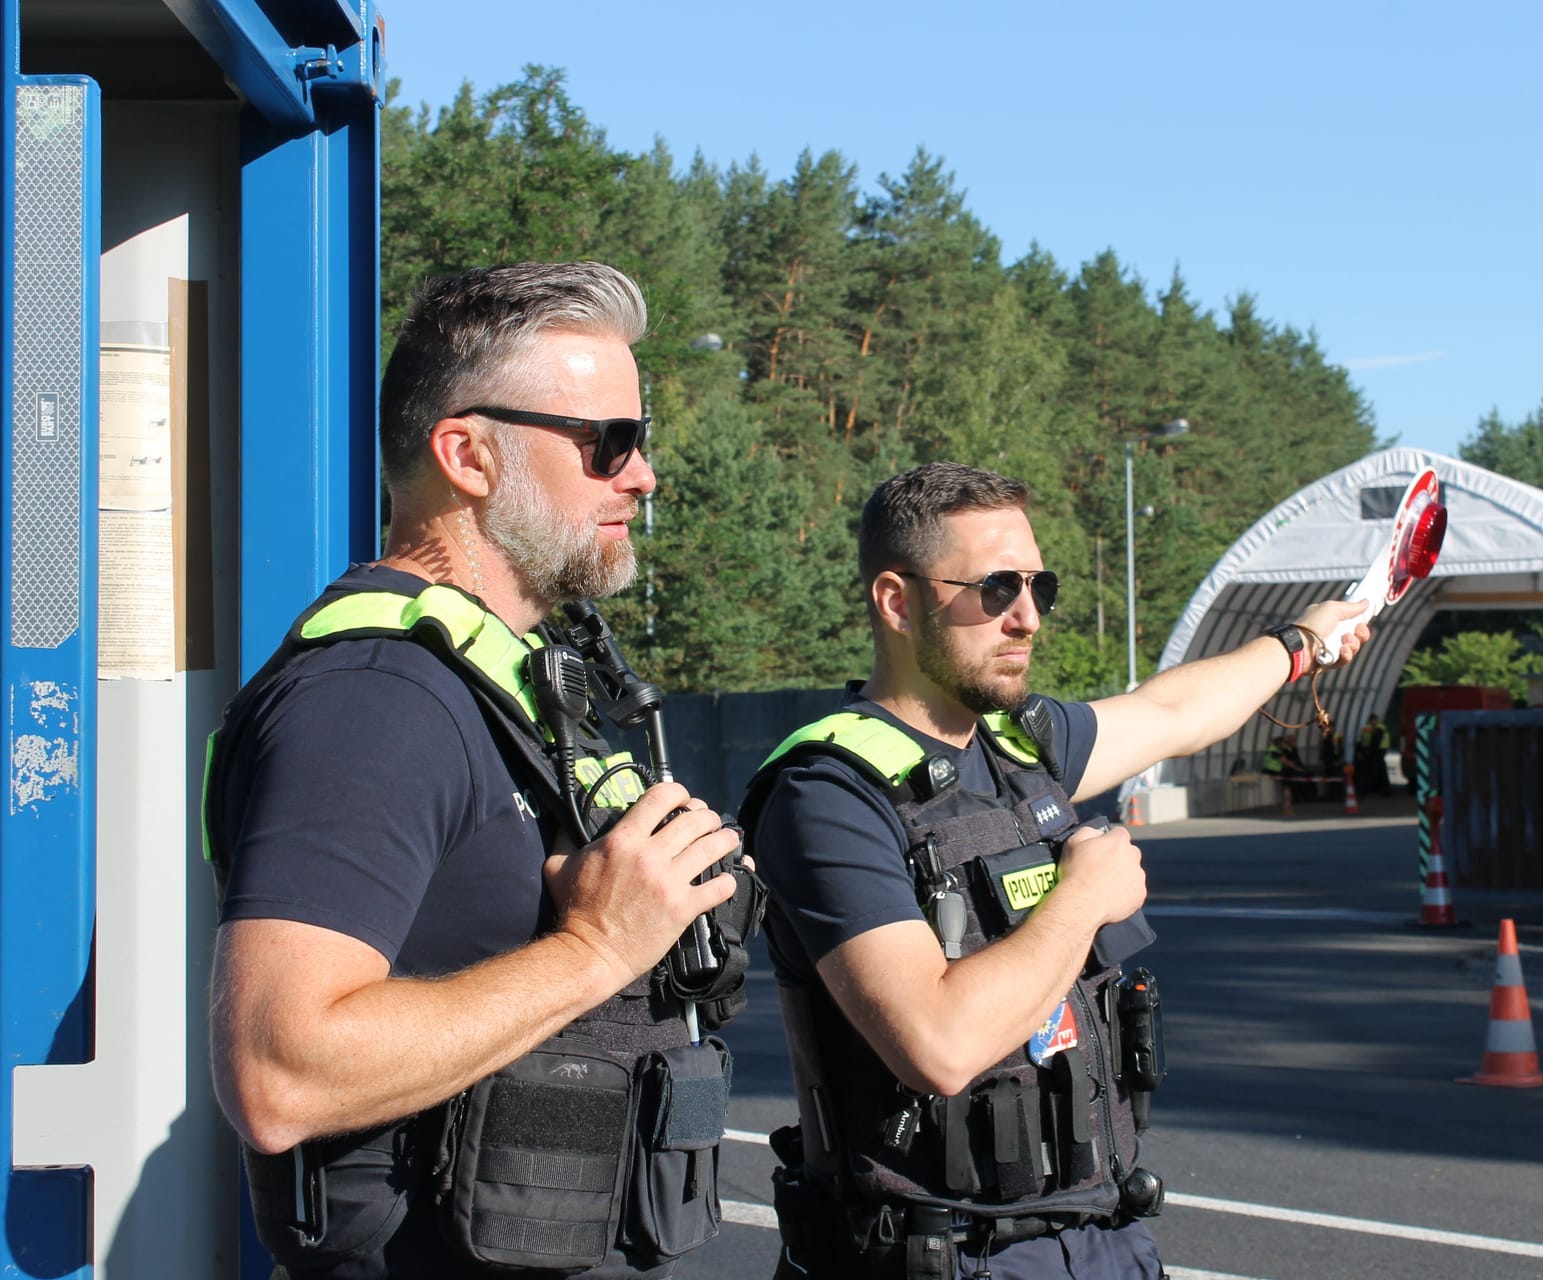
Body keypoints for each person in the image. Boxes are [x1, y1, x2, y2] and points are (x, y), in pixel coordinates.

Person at [205, 262, 751, 1279]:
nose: (643, 474)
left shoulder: (500, 683)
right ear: (467, 453)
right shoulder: (375, 700)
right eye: (608, 444)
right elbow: (278, 1068)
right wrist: (595, 946)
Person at [742, 462, 1371, 1279]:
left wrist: (1300, 645)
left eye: (1041, 586)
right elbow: (938, 1043)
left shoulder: (1018, 746)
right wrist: (1080, 904)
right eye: (996, 589)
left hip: (1099, 1236)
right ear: (897, 601)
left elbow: (1172, 711)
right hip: (940, 1256)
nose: (1028, 617)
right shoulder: (828, 794)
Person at [1357, 713, 1392, 796]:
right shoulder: (1370, 728)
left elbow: (1376, 740)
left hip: (1378, 751)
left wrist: (1368, 750)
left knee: (1375, 770)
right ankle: (1384, 790)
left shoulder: (1379, 728)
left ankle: (1370, 789)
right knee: (1380, 770)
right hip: (1376, 751)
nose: (1372, 722)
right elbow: (1365, 739)